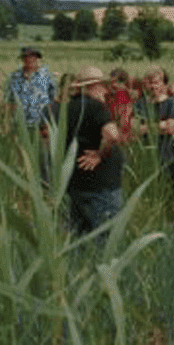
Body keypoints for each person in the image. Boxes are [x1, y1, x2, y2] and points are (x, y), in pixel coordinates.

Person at [53, 66, 125, 236]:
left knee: (79, 236)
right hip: (100, 184)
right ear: (96, 86)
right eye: (103, 86)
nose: (106, 90)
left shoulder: (65, 109)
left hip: (75, 183)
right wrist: (101, 154)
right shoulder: (96, 107)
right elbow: (113, 135)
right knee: (105, 237)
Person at [134, 66, 174, 198]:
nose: (153, 86)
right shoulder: (140, 104)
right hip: (144, 155)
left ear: (163, 83)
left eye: (156, 82)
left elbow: (169, 129)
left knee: (167, 189)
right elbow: (136, 130)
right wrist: (159, 125)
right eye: (150, 83)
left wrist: (147, 127)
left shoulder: (171, 103)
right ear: (145, 84)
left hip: (165, 154)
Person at [7, 47, 55, 129]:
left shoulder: (47, 77)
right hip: (20, 124)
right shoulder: (15, 77)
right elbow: (10, 101)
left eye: (35, 57)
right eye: (28, 57)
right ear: (23, 59)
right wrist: (9, 123)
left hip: (41, 124)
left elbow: (52, 101)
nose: (32, 60)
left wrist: (49, 122)